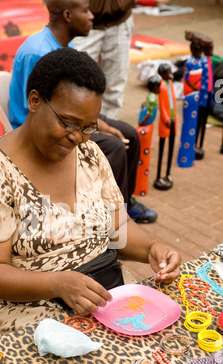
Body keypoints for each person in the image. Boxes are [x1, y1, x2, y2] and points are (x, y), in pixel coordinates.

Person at [0, 48, 181, 341]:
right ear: (35, 101)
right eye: (69, 122)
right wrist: (58, 283)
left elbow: (119, 229)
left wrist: (152, 248)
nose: (78, 137)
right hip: (24, 305)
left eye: (88, 127)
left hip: (96, 287)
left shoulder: (90, 154)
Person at [9, 0, 157, 224]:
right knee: (115, 147)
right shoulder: (38, 52)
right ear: (68, 15)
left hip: (68, 117)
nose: (92, 16)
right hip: (46, 126)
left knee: (130, 134)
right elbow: (41, 111)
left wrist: (101, 124)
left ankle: (123, 205)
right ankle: (106, 222)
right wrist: (98, 128)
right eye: (86, 11)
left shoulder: (62, 46)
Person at [73, 0, 134, 120]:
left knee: (115, 86)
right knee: (74, 81)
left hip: (120, 19)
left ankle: (107, 129)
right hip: (84, 20)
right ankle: (74, 130)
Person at [134, 74, 161, 196]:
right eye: (158, 86)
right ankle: (140, 187)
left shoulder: (152, 97)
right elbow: (149, 115)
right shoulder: (152, 99)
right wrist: (141, 123)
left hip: (147, 126)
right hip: (146, 126)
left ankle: (140, 187)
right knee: (143, 156)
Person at [177, 41, 202, 168]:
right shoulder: (190, 63)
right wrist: (196, 87)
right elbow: (187, 80)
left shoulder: (198, 62)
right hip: (190, 96)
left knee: (193, 126)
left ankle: (189, 157)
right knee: (188, 126)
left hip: (196, 96)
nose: (199, 53)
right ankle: (184, 158)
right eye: (197, 51)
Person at [154, 63, 177, 190]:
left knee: (171, 147)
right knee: (162, 149)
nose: (170, 74)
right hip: (166, 121)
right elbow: (162, 106)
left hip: (174, 121)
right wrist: (167, 119)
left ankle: (167, 173)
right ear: (162, 74)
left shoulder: (171, 84)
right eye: (168, 72)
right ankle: (158, 175)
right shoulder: (161, 86)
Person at [195, 36, 214, 160]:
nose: (212, 50)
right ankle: (195, 144)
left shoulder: (209, 60)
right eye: (210, 48)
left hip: (209, 95)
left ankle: (200, 144)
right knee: (198, 122)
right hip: (201, 96)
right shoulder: (200, 61)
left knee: (204, 120)